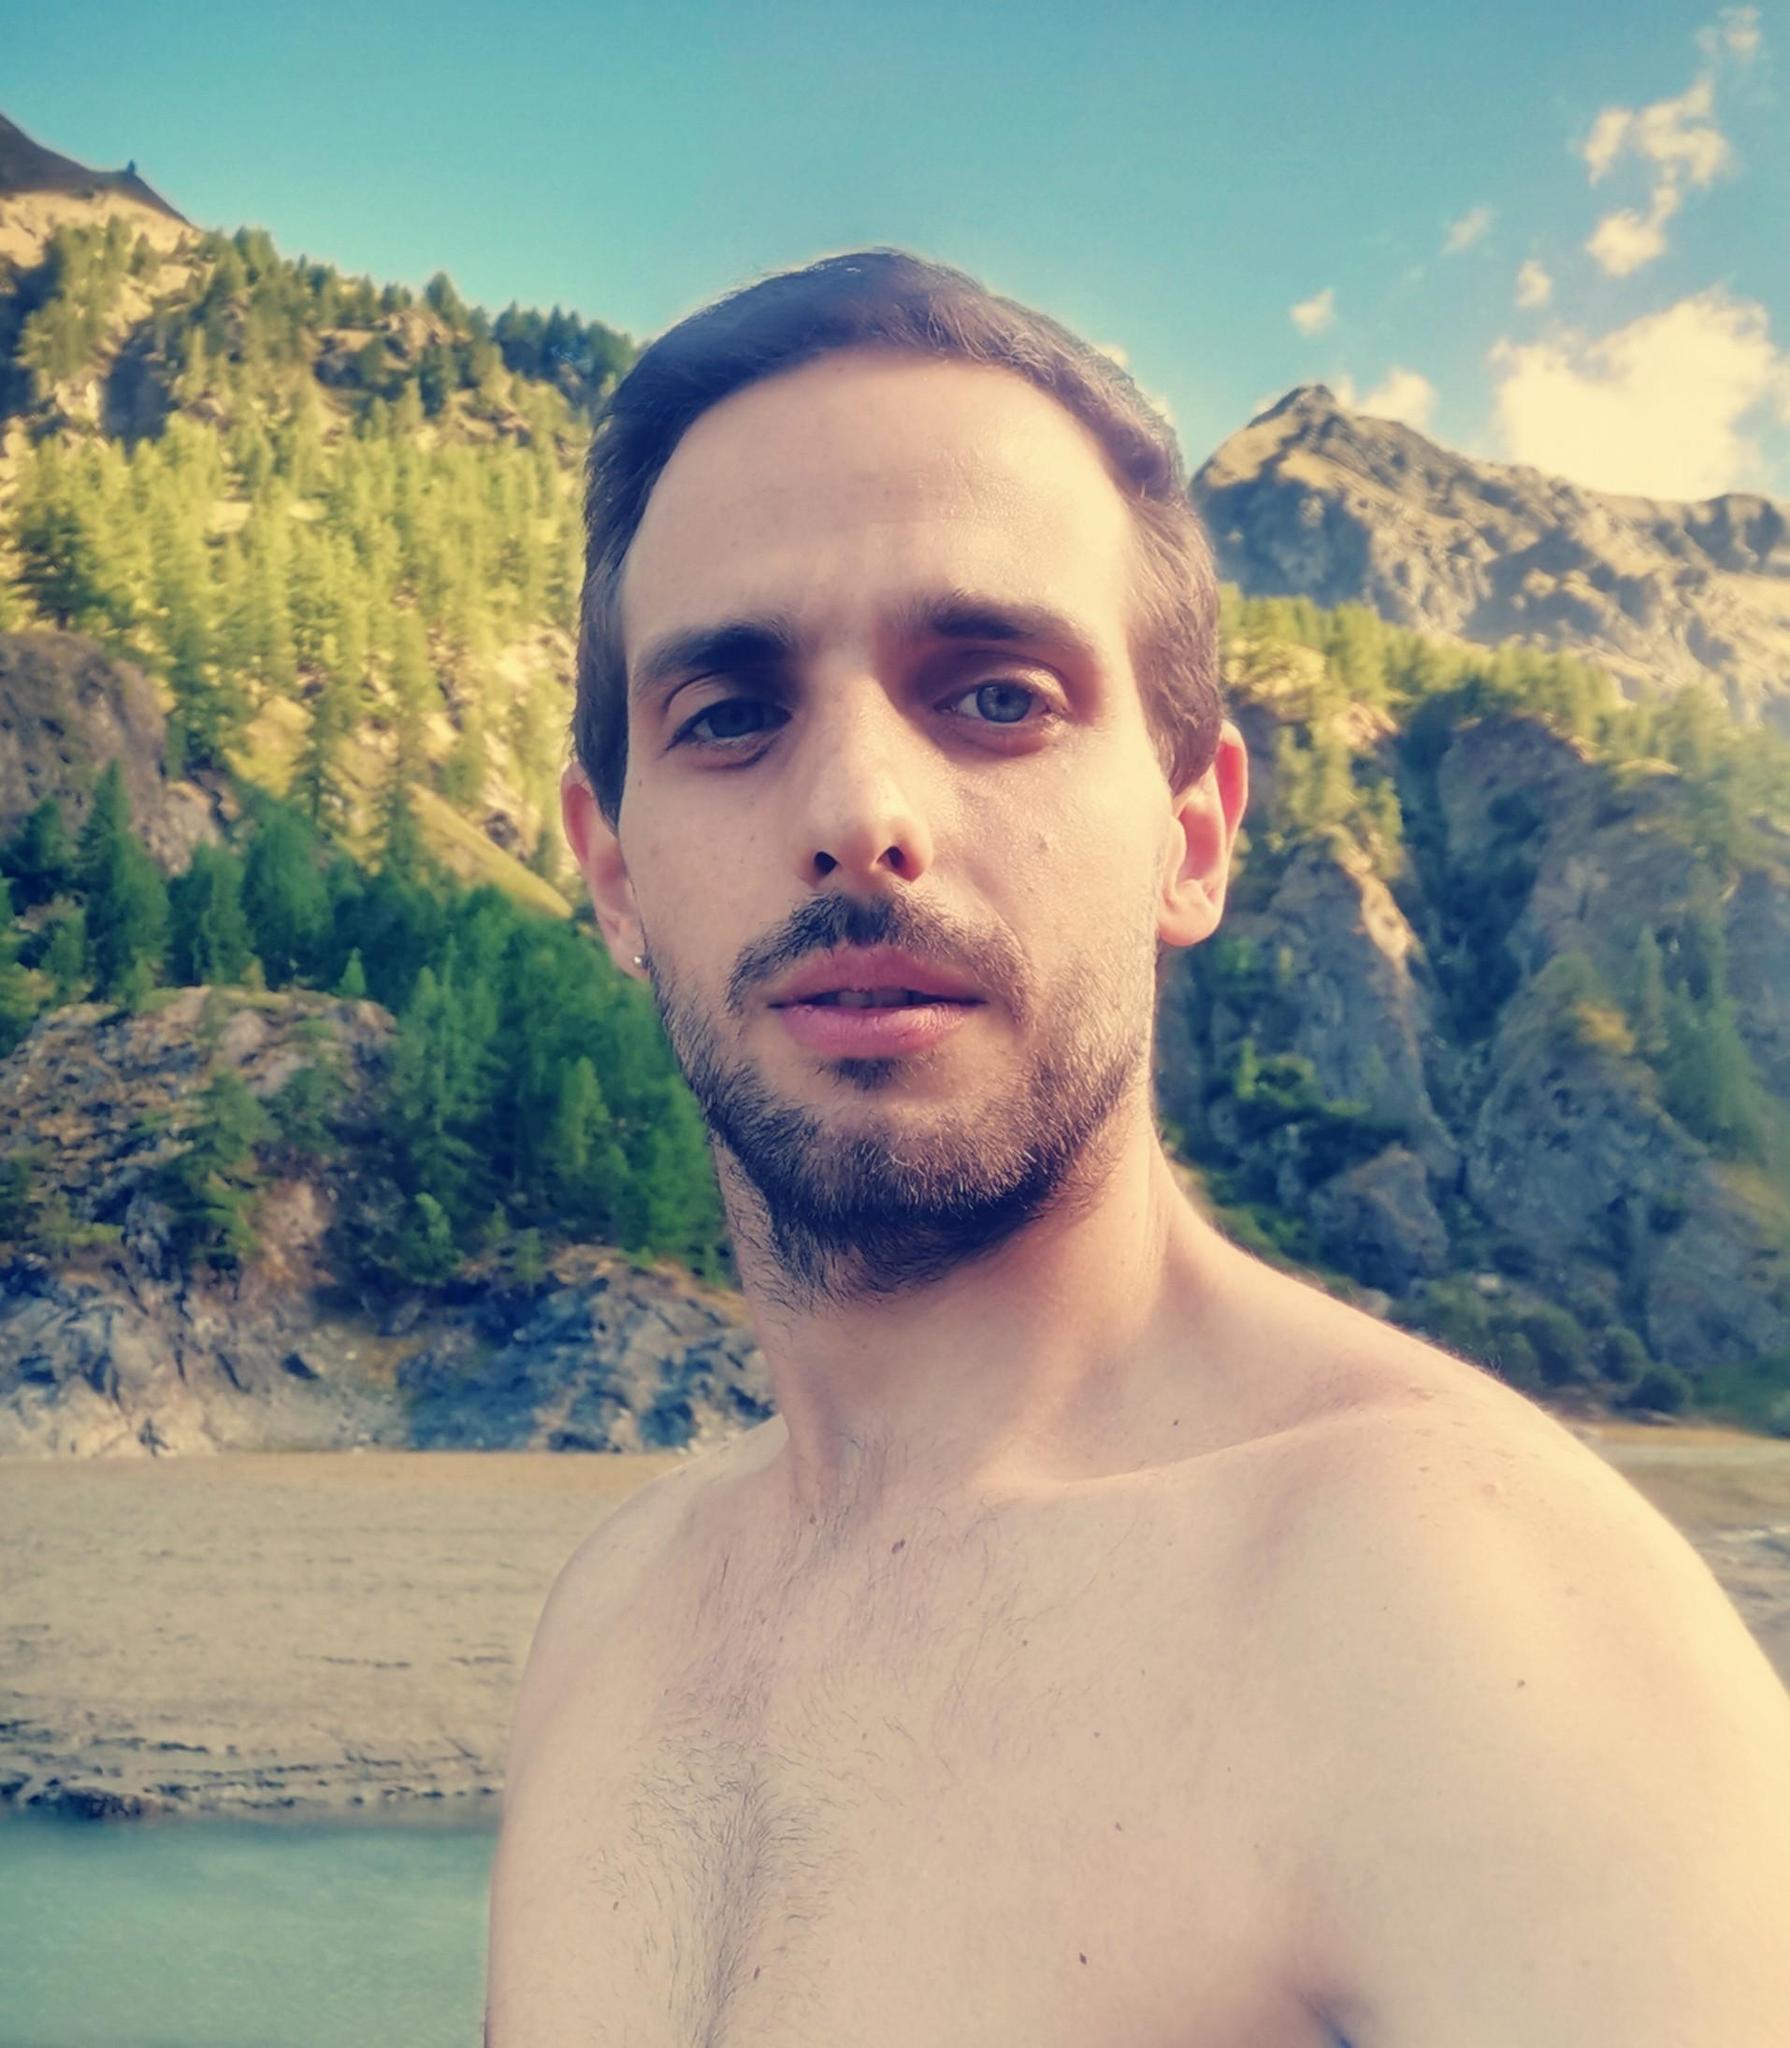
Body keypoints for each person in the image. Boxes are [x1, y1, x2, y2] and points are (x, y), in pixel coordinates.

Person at [485, 249, 1790, 2047]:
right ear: (614, 871)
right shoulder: (612, 1623)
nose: (859, 813)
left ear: (1192, 839)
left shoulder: (1464, 1612)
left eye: (995, 696)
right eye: (727, 717)